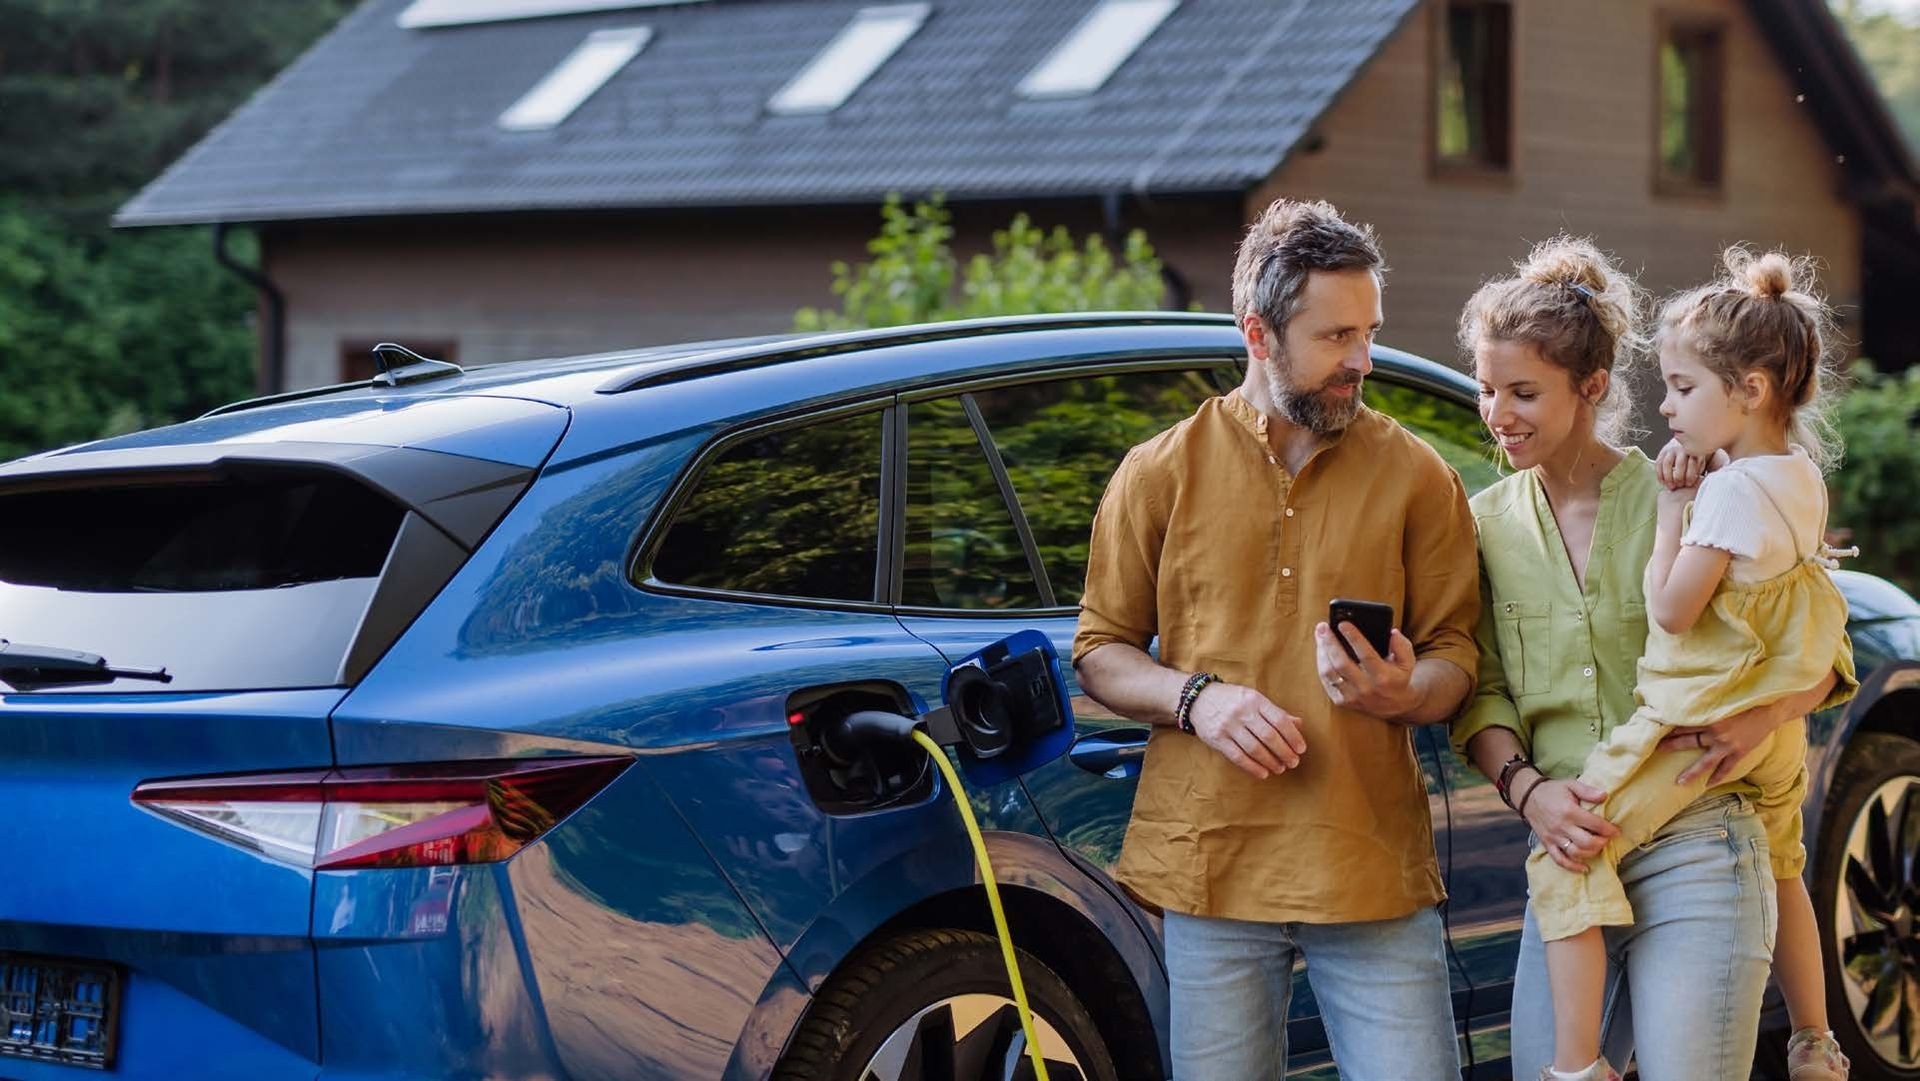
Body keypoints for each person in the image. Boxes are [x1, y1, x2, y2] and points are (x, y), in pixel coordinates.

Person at [1074, 197, 1481, 1080]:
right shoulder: (1158, 473)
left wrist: (1408, 692)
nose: (1362, 360)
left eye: (1368, 331)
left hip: (1367, 865)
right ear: (1258, 332)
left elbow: (1458, 656)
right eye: (1337, 337)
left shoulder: (1420, 477)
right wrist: (1198, 698)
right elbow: (1101, 649)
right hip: (1210, 868)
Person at [1451, 236, 1851, 1081]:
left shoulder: (1698, 486)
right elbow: (1480, 691)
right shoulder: (1481, 523)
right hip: (1571, 841)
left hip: (1701, 834)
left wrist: (1759, 718)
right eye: (1488, 390)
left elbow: (1812, 645)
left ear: (1591, 388)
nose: (1498, 413)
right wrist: (1532, 794)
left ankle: (1814, 1039)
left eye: (1523, 392)